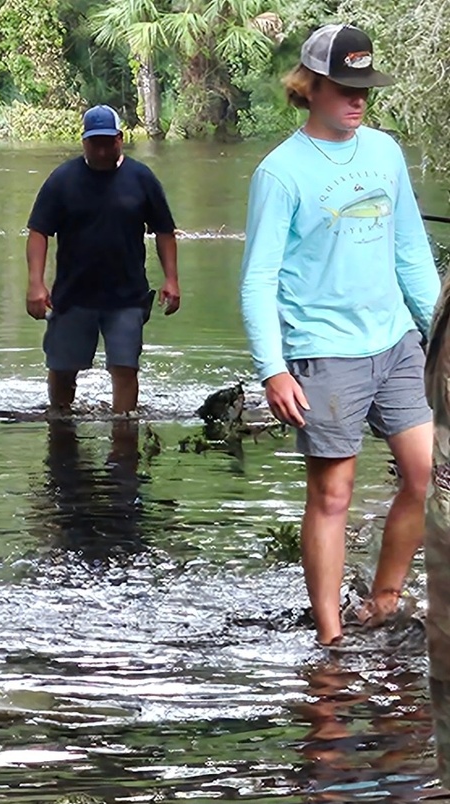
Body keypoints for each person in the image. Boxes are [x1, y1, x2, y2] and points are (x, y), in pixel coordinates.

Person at [239, 24, 439, 647]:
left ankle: (383, 599)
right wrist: (273, 368)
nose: (357, 101)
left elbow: (410, 250)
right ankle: (330, 640)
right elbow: (258, 278)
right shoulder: (281, 173)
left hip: (397, 341)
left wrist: (441, 333)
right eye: (344, 89)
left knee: (425, 473)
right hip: (323, 351)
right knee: (334, 493)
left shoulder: (383, 153)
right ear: (310, 88)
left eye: (364, 90)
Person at [25, 105, 181, 415]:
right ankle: (61, 424)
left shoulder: (141, 179)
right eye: (94, 142)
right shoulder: (62, 180)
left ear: (120, 139)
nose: (101, 149)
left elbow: (164, 231)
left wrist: (171, 279)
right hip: (73, 296)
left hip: (126, 297)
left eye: (107, 141)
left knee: (125, 368)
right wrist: (35, 284)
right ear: (84, 142)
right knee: (63, 369)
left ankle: (124, 435)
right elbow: (39, 231)